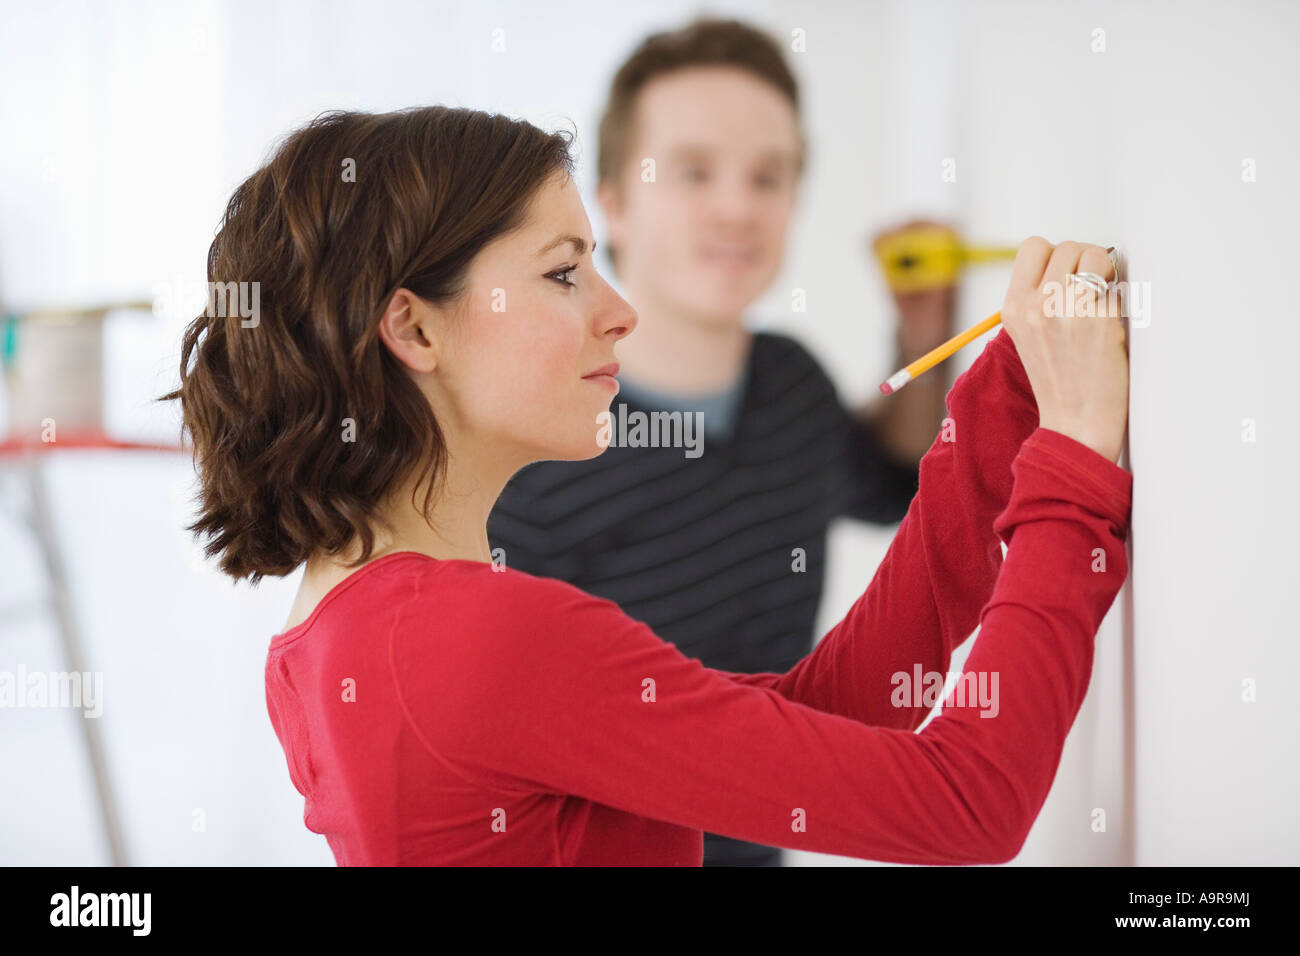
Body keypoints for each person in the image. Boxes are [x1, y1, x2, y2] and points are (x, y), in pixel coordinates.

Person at [162, 104, 1132, 866]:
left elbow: (823, 718)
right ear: (414, 330)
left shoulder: (338, 629)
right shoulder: (476, 637)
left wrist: (1009, 393)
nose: (617, 311)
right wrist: (1077, 466)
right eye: (563, 272)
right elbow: (967, 802)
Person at [486, 18, 958, 866]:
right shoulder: (532, 441)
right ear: (614, 205)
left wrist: (920, 337)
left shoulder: (793, 387)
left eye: (768, 177)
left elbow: (893, 481)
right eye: (695, 171)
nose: (738, 207)